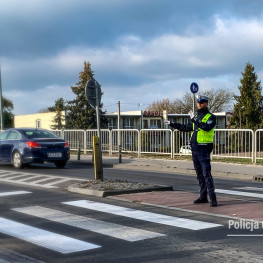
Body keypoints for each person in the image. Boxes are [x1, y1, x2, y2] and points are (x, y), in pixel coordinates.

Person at [165, 95, 217, 207]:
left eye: (201, 103)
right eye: (198, 103)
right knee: (199, 175)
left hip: (204, 148)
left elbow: (206, 127)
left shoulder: (211, 117)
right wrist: (173, 124)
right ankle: (203, 197)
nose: (199, 104)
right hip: (195, 149)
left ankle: (213, 198)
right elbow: (186, 128)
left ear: (206, 104)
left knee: (206, 174)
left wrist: (194, 119)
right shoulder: (196, 117)